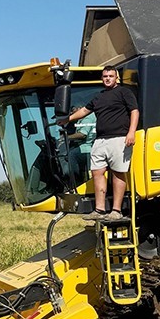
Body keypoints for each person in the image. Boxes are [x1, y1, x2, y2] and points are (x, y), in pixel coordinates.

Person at [57, 66, 139, 221]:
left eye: (110, 76)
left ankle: (116, 211)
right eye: (105, 76)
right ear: (102, 78)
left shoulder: (124, 93)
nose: (107, 78)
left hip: (119, 138)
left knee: (118, 173)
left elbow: (134, 111)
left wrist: (131, 132)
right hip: (100, 140)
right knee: (96, 172)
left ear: (116, 78)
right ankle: (99, 210)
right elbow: (84, 111)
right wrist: (67, 119)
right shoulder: (98, 97)